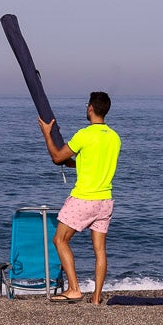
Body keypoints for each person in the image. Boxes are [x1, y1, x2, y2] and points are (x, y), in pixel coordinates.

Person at [37, 91, 121, 305]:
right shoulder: (114, 137)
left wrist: (47, 132)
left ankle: (74, 289)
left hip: (84, 198)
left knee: (60, 240)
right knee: (100, 250)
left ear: (90, 108)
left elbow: (57, 157)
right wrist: (75, 164)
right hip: (105, 201)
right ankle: (96, 297)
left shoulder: (84, 134)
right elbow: (96, 164)